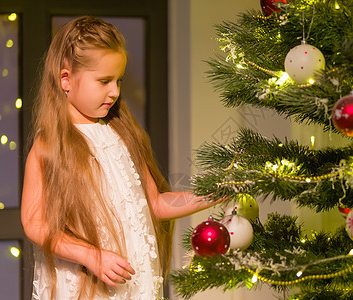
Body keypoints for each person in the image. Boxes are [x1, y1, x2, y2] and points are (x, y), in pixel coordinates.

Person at [21, 16, 219, 300]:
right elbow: (34, 222)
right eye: (104, 81)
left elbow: (156, 204)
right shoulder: (49, 145)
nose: (114, 91)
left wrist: (212, 194)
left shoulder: (123, 135)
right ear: (66, 79)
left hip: (134, 282)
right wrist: (92, 256)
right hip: (83, 285)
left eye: (118, 81)